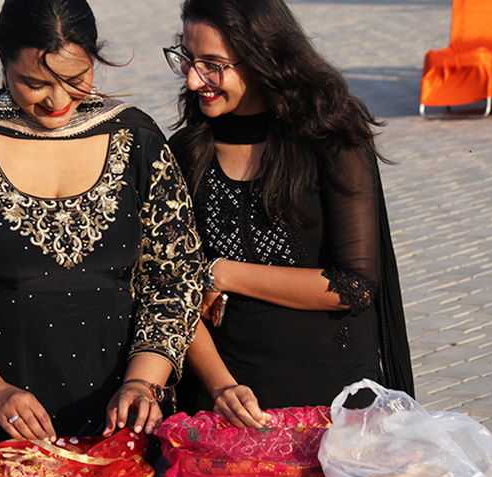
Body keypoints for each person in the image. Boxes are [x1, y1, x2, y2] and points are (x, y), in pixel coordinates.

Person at [0, 0, 205, 450]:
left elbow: (176, 276)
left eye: (76, 81)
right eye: (34, 84)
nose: (56, 101)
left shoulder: (138, 141)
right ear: (1, 58)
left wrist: (144, 383)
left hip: (126, 426)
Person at [164, 0, 415, 427]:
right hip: (226, 401)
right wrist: (222, 385)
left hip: (332, 402)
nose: (193, 79)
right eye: (187, 59)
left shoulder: (331, 141)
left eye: (212, 64)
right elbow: (174, 291)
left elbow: (354, 286)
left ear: (263, 56)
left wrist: (221, 273)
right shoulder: (188, 153)